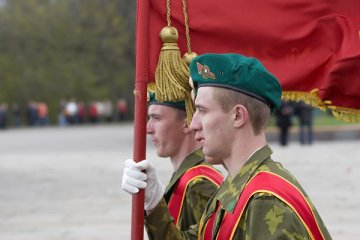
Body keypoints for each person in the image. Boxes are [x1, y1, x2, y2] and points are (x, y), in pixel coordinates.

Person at [122, 53, 332, 239]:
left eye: (202, 111)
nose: (193, 124)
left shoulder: (265, 200)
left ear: (238, 116)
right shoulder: (237, 186)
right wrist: (153, 201)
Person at [122, 92, 223, 238]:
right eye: (149, 118)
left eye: (157, 118)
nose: (148, 129)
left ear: (188, 123)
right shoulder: (186, 176)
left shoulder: (199, 183)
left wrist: (155, 204)